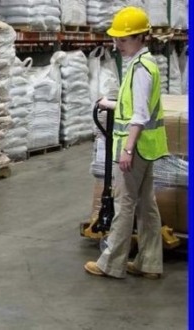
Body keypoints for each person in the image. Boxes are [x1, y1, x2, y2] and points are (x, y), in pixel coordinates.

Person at [84, 6, 169, 279]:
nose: (117, 44)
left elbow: (140, 115)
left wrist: (127, 150)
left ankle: (111, 263)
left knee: (124, 204)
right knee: (146, 205)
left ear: (141, 37)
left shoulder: (141, 69)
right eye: (116, 39)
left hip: (136, 147)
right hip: (146, 147)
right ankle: (149, 263)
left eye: (123, 39)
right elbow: (133, 104)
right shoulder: (142, 64)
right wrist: (109, 103)